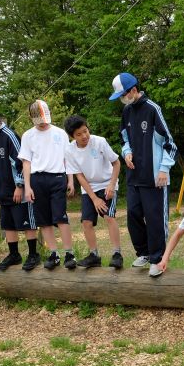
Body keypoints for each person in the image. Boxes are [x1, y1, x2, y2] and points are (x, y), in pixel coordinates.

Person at [110, 72, 177, 277]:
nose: (122, 99)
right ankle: (144, 253)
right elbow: (124, 138)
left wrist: (164, 169)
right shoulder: (127, 112)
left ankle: (158, 259)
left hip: (155, 177)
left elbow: (170, 144)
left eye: (123, 94)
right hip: (134, 178)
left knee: (155, 219)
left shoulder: (152, 109)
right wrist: (127, 152)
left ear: (133, 90)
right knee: (133, 216)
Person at [0, 106, 40, 271]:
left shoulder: (9, 136)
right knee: (8, 224)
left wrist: (19, 185)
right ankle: (14, 254)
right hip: (3, 191)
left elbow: (21, 161)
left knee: (26, 223)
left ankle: (33, 254)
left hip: (18, 191)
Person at [18, 99, 77, 270]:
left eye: (45, 122)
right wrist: (27, 187)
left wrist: (71, 180)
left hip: (58, 178)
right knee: (43, 220)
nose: (43, 125)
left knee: (60, 217)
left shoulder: (60, 133)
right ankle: (54, 253)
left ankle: (69, 253)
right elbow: (26, 163)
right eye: (39, 122)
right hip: (37, 179)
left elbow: (68, 159)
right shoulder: (28, 135)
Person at [63, 115, 123, 269]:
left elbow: (116, 164)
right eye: (79, 134)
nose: (84, 136)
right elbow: (79, 176)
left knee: (109, 216)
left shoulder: (100, 142)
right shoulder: (69, 150)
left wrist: (111, 185)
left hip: (108, 183)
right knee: (86, 222)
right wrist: (94, 199)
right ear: (72, 136)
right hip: (89, 187)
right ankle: (94, 255)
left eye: (85, 131)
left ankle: (117, 254)